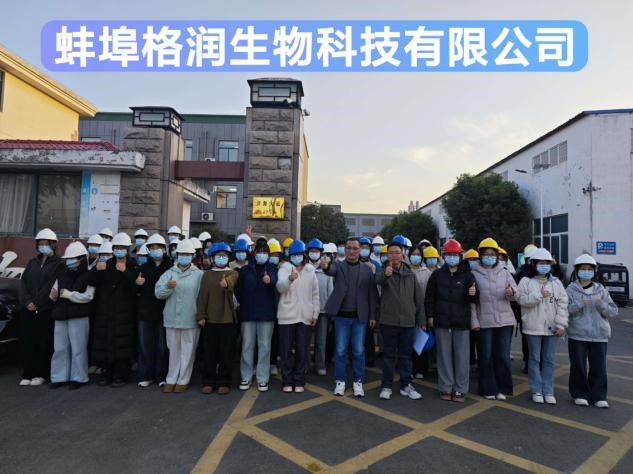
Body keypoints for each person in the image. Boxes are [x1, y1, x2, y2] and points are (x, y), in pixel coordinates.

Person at [322, 237, 379, 397]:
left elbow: (372, 294)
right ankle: (340, 381)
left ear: (360, 250)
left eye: (355, 248)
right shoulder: (338, 265)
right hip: (341, 317)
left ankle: (358, 381)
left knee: (359, 350)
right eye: (348, 248)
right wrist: (326, 266)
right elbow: (330, 270)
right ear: (345, 250)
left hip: (360, 317)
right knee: (340, 350)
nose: (352, 251)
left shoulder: (367, 269)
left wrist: (372, 315)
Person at [425, 239, 478, 402]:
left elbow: (475, 298)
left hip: (461, 322)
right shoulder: (437, 275)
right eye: (449, 254)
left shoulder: (468, 275)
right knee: (444, 357)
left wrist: (473, 294)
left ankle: (461, 389)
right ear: (444, 256)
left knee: (462, 357)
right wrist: (430, 316)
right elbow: (429, 298)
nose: (452, 257)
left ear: (460, 256)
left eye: (455, 254)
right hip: (442, 321)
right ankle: (446, 387)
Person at [516, 248, 568, 405]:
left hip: (552, 327)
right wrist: (538, 295)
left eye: (547, 263)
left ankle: (548, 390)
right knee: (534, 359)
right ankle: (536, 389)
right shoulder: (526, 281)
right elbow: (521, 300)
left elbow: (563, 304)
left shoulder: (556, 283)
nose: (544, 266)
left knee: (549, 360)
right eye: (541, 263)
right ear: (534, 264)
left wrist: (561, 324)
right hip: (533, 326)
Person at [566, 254, 618, 408]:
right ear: (577, 270)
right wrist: (578, 304)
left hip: (599, 334)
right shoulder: (571, 289)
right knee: (578, 366)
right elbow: (564, 310)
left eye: (589, 269)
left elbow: (613, 312)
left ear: (594, 271)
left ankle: (599, 396)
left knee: (599, 366)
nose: (586, 271)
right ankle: (580, 394)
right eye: (583, 269)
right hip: (577, 334)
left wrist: (602, 305)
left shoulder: (601, 290)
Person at [376, 241, 425, 400]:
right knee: (389, 356)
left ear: (402, 255)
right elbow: (377, 281)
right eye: (391, 253)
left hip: (408, 322)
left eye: (397, 252)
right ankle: (386, 386)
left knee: (406, 356)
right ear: (387, 255)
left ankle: (406, 385)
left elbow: (418, 299)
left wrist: (421, 319)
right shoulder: (383, 271)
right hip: (388, 321)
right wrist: (386, 274)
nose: (394, 256)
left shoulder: (410, 274)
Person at [471, 238, 518, 401]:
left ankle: (503, 388)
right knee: (485, 356)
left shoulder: (505, 272)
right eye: (486, 254)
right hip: (484, 322)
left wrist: (512, 292)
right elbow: (471, 301)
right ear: (480, 255)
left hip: (505, 321)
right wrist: (474, 321)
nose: (489, 257)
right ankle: (488, 388)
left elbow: (516, 293)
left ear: (497, 256)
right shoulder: (473, 273)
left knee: (503, 356)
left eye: (492, 254)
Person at [89, 232, 138, 387]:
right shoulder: (107, 264)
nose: (119, 250)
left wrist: (125, 271)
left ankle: (121, 375)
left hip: (124, 311)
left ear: (127, 249)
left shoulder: (133, 265)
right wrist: (96, 270)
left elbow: (137, 286)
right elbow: (91, 281)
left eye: (122, 248)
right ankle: (106, 373)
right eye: (116, 247)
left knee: (122, 343)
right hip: (106, 309)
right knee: (105, 342)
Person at [18, 228, 66, 387]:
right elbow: (23, 282)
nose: (43, 246)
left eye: (46, 243)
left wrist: (37, 302)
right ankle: (27, 373)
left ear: (54, 244)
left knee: (43, 343)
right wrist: (27, 302)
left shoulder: (60, 264)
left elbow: (51, 286)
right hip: (28, 309)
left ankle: (41, 373)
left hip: (45, 309)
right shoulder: (32, 262)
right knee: (28, 342)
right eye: (40, 243)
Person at [156, 239, 203, 393]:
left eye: (187, 254)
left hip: (191, 318)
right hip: (172, 319)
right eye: (182, 254)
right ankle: (171, 379)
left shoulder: (199, 275)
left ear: (192, 256)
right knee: (173, 351)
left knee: (188, 352)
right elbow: (158, 293)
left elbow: (202, 297)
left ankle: (183, 380)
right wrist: (167, 287)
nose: (184, 257)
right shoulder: (169, 273)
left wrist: (201, 316)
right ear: (177, 255)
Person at [49, 242, 95, 390]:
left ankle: (79, 377)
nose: (70, 261)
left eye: (73, 258)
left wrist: (70, 295)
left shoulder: (89, 274)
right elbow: (54, 290)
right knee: (60, 348)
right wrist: (53, 296)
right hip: (61, 314)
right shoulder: (62, 273)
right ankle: (59, 377)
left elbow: (89, 296)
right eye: (68, 258)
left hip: (79, 315)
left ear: (81, 258)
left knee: (78, 348)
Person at [276, 240, 319, 393]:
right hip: (287, 316)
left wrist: (315, 313)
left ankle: (299, 380)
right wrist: (289, 279)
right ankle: (287, 381)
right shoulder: (284, 269)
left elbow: (315, 294)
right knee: (286, 351)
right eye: (294, 255)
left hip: (305, 316)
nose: (296, 257)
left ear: (304, 255)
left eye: (299, 254)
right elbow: (280, 287)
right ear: (290, 256)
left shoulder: (310, 271)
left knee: (302, 351)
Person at [235, 238, 278, 392]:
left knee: (265, 346)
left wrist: (269, 280)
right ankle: (245, 376)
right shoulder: (245, 270)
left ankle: (262, 378)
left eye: (264, 252)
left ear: (268, 254)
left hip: (266, 314)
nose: (261, 254)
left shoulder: (272, 268)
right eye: (259, 252)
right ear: (254, 253)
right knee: (247, 346)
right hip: (248, 313)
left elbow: (275, 281)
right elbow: (238, 291)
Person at [196, 242, 239, 394]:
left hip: (227, 319)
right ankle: (208, 381)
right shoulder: (206, 275)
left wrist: (226, 283)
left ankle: (224, 382)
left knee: (226, 353)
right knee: (209, 353)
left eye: (224, 255)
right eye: (218, 256)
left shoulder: (232, 273)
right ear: (213, 258)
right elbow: (202, 296)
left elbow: (232, 282)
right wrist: (201, 315)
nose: (221, 258)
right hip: (210, 320)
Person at [135, 233, 172, 388]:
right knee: (145, 345)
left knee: (162, 346)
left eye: (158, 247)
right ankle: (146, 375)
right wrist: (138, 284)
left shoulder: (171, 267)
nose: (155, 250)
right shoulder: (143, 268)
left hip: (164, 311)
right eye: (152, 248)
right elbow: (136, 291)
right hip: (145, 311)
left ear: (164, 249)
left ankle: (161, 375)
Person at [307, 238, 334, 376]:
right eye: (311, 251)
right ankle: (305, 364)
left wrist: (330, 309)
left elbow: (331, 290)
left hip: (323, 310)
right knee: (305, 340)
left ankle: (320, 365)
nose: (314, 253)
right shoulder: (304, 267)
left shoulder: (326, 268)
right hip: (306, 309)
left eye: (316, 251)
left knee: (321, 340)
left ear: (321, 252)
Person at [411, 245, 436, 379]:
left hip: (422, 311)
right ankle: (410, 368)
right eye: (413, 254)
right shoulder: (406, 270)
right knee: (408, 341)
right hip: (408, 311)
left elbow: (431, 294)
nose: (415, 257)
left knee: (421, 341)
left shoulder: (427, 273)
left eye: (418, 254)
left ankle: (421, 369)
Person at [266, 238, 283, 375]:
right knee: (263, 340)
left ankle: (273, 363)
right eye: (272, 255)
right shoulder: (263, 270)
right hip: (266, 309)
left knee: (275, 338)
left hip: (278, 309)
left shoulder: (282, 270)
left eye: (276, 255)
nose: (274, 257)